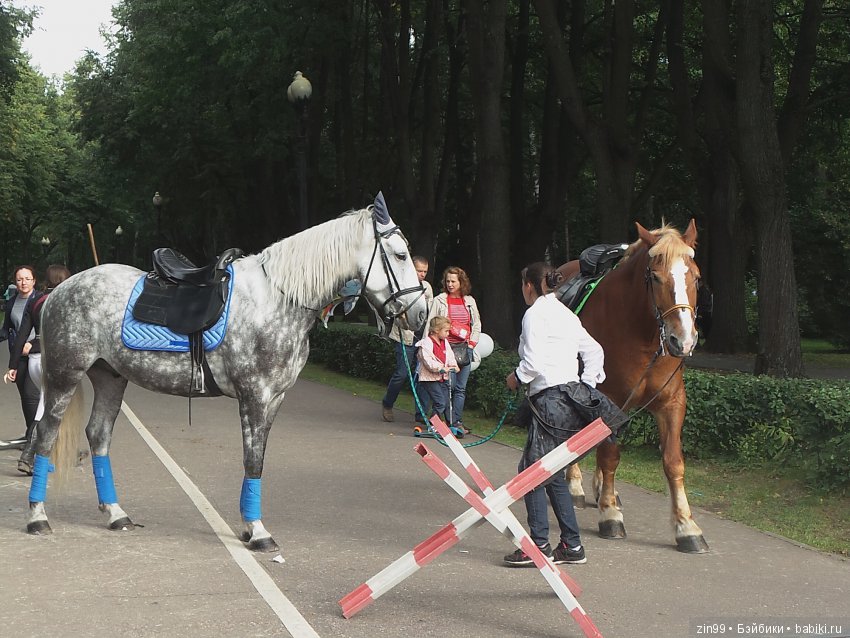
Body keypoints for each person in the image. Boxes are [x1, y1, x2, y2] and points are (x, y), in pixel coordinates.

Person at [503, 262, 624, 567]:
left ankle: (539, 546)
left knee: (531, 473)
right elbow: (595, 351)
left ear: (529, 285)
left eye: (523, 285)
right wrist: (584, 385)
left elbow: (531, 364)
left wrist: (515, 378)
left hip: (549, 403)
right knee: (554, 473)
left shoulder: (534, 314)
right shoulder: (567, 315)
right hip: (571, 400)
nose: (523, 291)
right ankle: (571, 545)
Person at [8, 264, 72, 475]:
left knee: (47, 408)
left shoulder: (36, 301)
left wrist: (12, 365)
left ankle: (52, 452)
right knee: (44, 410)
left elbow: (20, 337)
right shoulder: (63, 302)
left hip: (33, 363)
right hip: (48, 362)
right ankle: (28, 456)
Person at [427, 266, 480, 435]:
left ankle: (456, 421)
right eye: (447, 281)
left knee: (460, 388)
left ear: (461, 282)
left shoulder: (469, 301)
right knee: (447, 386)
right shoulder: (440, 300)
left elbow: (476, 323)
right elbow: (431, 324)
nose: (450, 284)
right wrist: (430, 347)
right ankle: (442, 420)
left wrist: (472, 343)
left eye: (453, 281)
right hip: (446, 349)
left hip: (465, 349)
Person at [381, 256, 433, 422]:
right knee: (402, 374)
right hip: (405, 336)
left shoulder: (427, 288)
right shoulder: (400, 285)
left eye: (425, 271)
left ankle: (421, 414)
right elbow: (391, 310)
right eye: (419, 271)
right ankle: (388, 403)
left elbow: (430, 312)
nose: (422, 274)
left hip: (423, 338)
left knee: (423, 376)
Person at [0, 266, 44, 451]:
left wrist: (32, 343)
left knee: (31, 395)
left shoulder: (40, 300)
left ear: (34, 281)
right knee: (26, 399)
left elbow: (47, 329)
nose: (23, 282)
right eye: (19, 279)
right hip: (18, 355)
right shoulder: (11, 303)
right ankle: (31, 435)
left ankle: (39, 439)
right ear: (15, 282)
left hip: (36, 354)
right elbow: (6, 329)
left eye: (27, 278)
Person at [415, 316, 460, 430]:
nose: (448, 334)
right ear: (436, 330)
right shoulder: (426, 343)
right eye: (446, 331)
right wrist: (440, 367)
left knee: (446, 401)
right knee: (440, 402)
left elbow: (449, 355)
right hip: (429, 378)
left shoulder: (445, 342)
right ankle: (433, 424)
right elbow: (427, 360)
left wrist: (453, 365)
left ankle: (451, 424)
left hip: (442, 378)